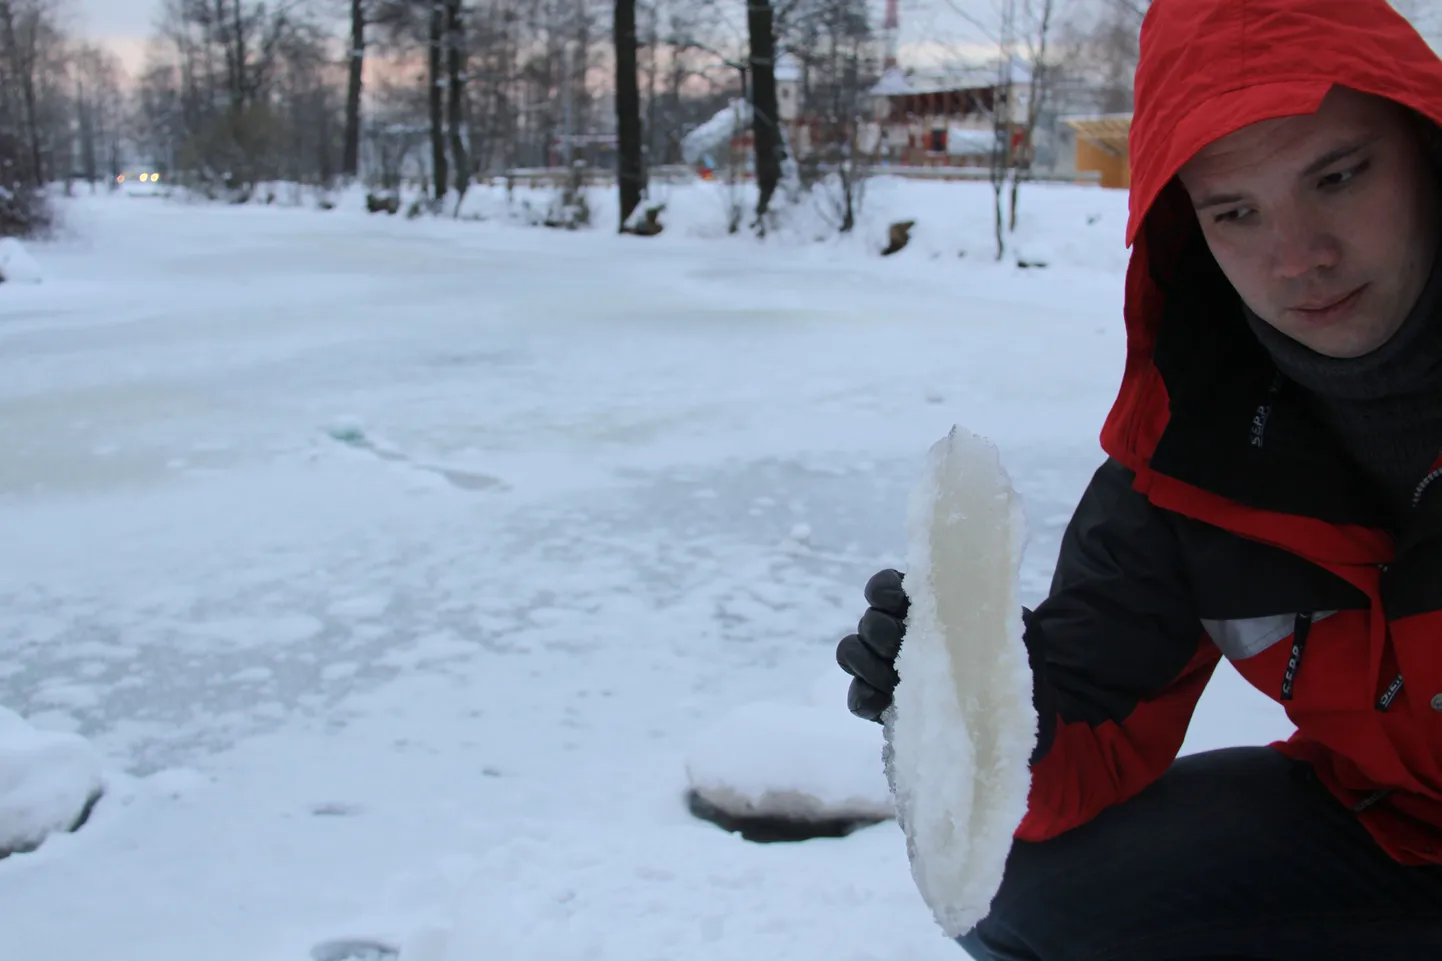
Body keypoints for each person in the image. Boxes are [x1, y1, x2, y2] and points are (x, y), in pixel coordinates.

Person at [835, 1, 1442, 958]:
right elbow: (1086, 727)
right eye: (1235, 212)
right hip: (1401, 831)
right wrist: (975, 708)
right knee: (1024, 895)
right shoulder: (1190, 457)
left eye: (1338, 176)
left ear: (1425, 147)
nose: (1299, 258)